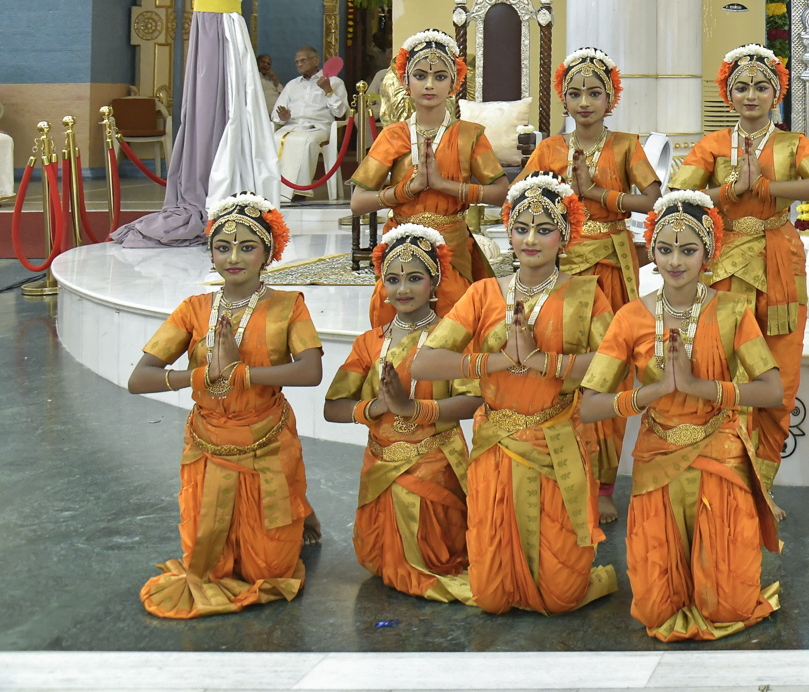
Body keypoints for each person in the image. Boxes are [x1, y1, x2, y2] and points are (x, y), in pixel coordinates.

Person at [411, 173, 620, 615]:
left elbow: (612, 367)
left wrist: (544, 361)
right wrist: (497, 362)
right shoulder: (483, 293)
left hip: (558, 438)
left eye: (544, 230)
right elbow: (424, 362)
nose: (531, 239)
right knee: (490, 596)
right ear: (507, 231)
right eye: (521, 228)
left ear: (565, 237)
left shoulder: (587, 295)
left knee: (561, 598)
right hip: (497, 444)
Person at [580, 190, 785, 641]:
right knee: (655, 611)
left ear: (708, 253)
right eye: (665, 249)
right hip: (657, 458)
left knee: (728, 606)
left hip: (719, 451)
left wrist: (698, 388)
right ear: (651, 249)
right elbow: (590, 404)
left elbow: (771, 390)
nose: (675, 261)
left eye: (688, 250)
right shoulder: (631, 318)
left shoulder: (732, 310)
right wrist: (651, 392)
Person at [125, 193, 323, 618]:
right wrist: (199, 377)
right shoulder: (193, 310)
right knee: (210, 570)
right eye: (222, 246)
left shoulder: (289, 305)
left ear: (268, 252)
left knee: (269, 573)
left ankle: (295, 509)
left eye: (247, 247)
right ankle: (294, 511)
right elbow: (138, 379)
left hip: (266, 442)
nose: (234, 257)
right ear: (210, 251)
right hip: (209, 444)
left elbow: (310, 372)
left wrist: (242, 374)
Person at [667, 44, 809, 514]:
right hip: (725, 266)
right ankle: (727, 479)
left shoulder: (792, 144)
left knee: (778, 381)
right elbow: (678, 193)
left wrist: (765, 189)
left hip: (780, 262)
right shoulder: (714, 144)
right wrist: (729, 191)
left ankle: (761, 486)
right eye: (741, 87)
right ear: (727, 92)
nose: (751, 95)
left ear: (777, 93)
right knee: (725, 372)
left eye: (761, 87)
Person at [522, 46, 661, 522]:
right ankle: (559, 467)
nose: (585, 101)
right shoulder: (548, 150)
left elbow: (653, 200)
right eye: (575, 92)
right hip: (559, 270)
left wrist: (599, 194)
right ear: (563, 97)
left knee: (608, 370)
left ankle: (602, 485)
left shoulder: (626, 146)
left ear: (611, 98)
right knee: (560, 364)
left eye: (594, 93)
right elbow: (522, 200)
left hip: (610, 270)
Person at [322, 224, 478, 604]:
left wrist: (412, 409)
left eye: (414, 278)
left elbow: (474, 400)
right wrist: (376, 406)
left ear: (434, 282)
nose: (402, 289)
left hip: (437, 462)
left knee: (438, 559)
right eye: (392, 280)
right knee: (382, 560)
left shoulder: (451, 337)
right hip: (381, 467)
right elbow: (332, 407)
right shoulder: (369, 343)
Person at [350, 29, 507, 294]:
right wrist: (407, 190)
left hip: (452, 248)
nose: (429, 85)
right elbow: (357, 202)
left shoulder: (470, 134)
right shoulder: (392, 136)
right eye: (420, 76)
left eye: (440, 76)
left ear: (454, 83)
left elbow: (501, 193)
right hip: (401, 249)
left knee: (454, 320)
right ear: (405, 81)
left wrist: (442, 185)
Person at [274, 46, 347, 202]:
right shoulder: (292, 85)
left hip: (319, 127)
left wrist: (328, 91)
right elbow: (276, 114)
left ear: (316, 61)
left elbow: (340, 113)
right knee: (274, 139)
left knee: (304, 142)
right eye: (297, 62)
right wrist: (283, 117)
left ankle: (299, 192)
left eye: (303, 60)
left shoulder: (334, 82)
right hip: (292, 126)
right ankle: (274, 189)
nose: (299, 64)